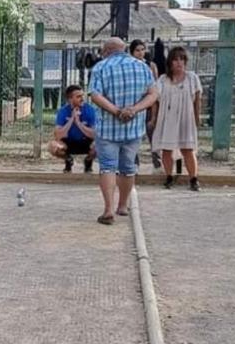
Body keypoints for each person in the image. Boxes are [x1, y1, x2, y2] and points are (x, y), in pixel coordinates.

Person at [89, 37, 158, 225]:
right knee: (128, 168)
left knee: (107, 167)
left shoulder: (100, 68)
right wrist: (134, 109)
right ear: (124, 49)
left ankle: (108, 210)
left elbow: (95, 95)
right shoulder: (142, 67)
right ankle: (122, 206)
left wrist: (116, 111)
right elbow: (153, 94)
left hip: (108, 128)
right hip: (133, 128)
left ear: (106, 51)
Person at [151, 46, 202, 191]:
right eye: (175, 59)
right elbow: (155, 99)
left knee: (188, 148)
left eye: (181, 59)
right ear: (170, 62)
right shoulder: (163, 79)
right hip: (167, 117)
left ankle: (193, 178)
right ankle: (169, 176)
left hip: (186, 117)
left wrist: (197, 117)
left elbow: (198, 99)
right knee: (167, 149)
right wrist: (153, 118)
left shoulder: (192, 78)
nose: (179, 62)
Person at [48, 84, 97, 173]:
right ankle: (68, 160)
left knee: (101, 145)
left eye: (82, 96)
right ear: (70, 99)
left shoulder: (90, 110)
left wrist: (78, 122)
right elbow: (58, 135)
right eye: (78, 96)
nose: (82, 99)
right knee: (52, 146)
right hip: (68, 142)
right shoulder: (63, 111)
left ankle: (88, 161)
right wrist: (71, 119)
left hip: (85, 141)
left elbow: (94, 134)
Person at [130, 39, 160, 168]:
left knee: (152, 132)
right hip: (135, 105)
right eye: (137, 50)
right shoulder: (129, 66)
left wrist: (154, 113)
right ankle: (134, 162)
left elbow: (154, 88)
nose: (140, 53)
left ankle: (157, 161)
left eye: (142, 50)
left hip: (148, 105)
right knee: (134, 136)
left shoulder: (151, 65)